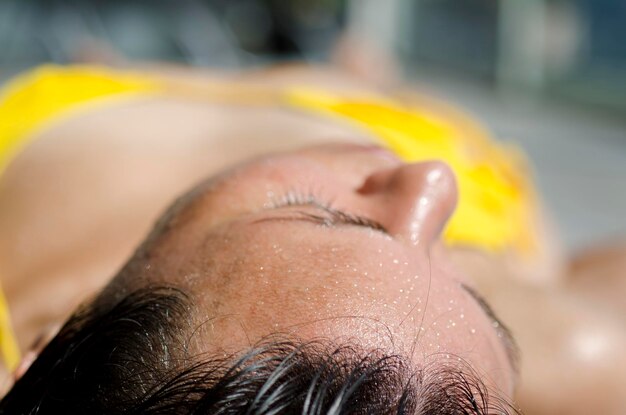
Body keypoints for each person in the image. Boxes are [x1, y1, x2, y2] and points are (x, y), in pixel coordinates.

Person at [0, 64, 624, 414]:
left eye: (319, 215)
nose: (433, 185)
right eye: (479, 297)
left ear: (55, 344)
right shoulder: (576, 351)